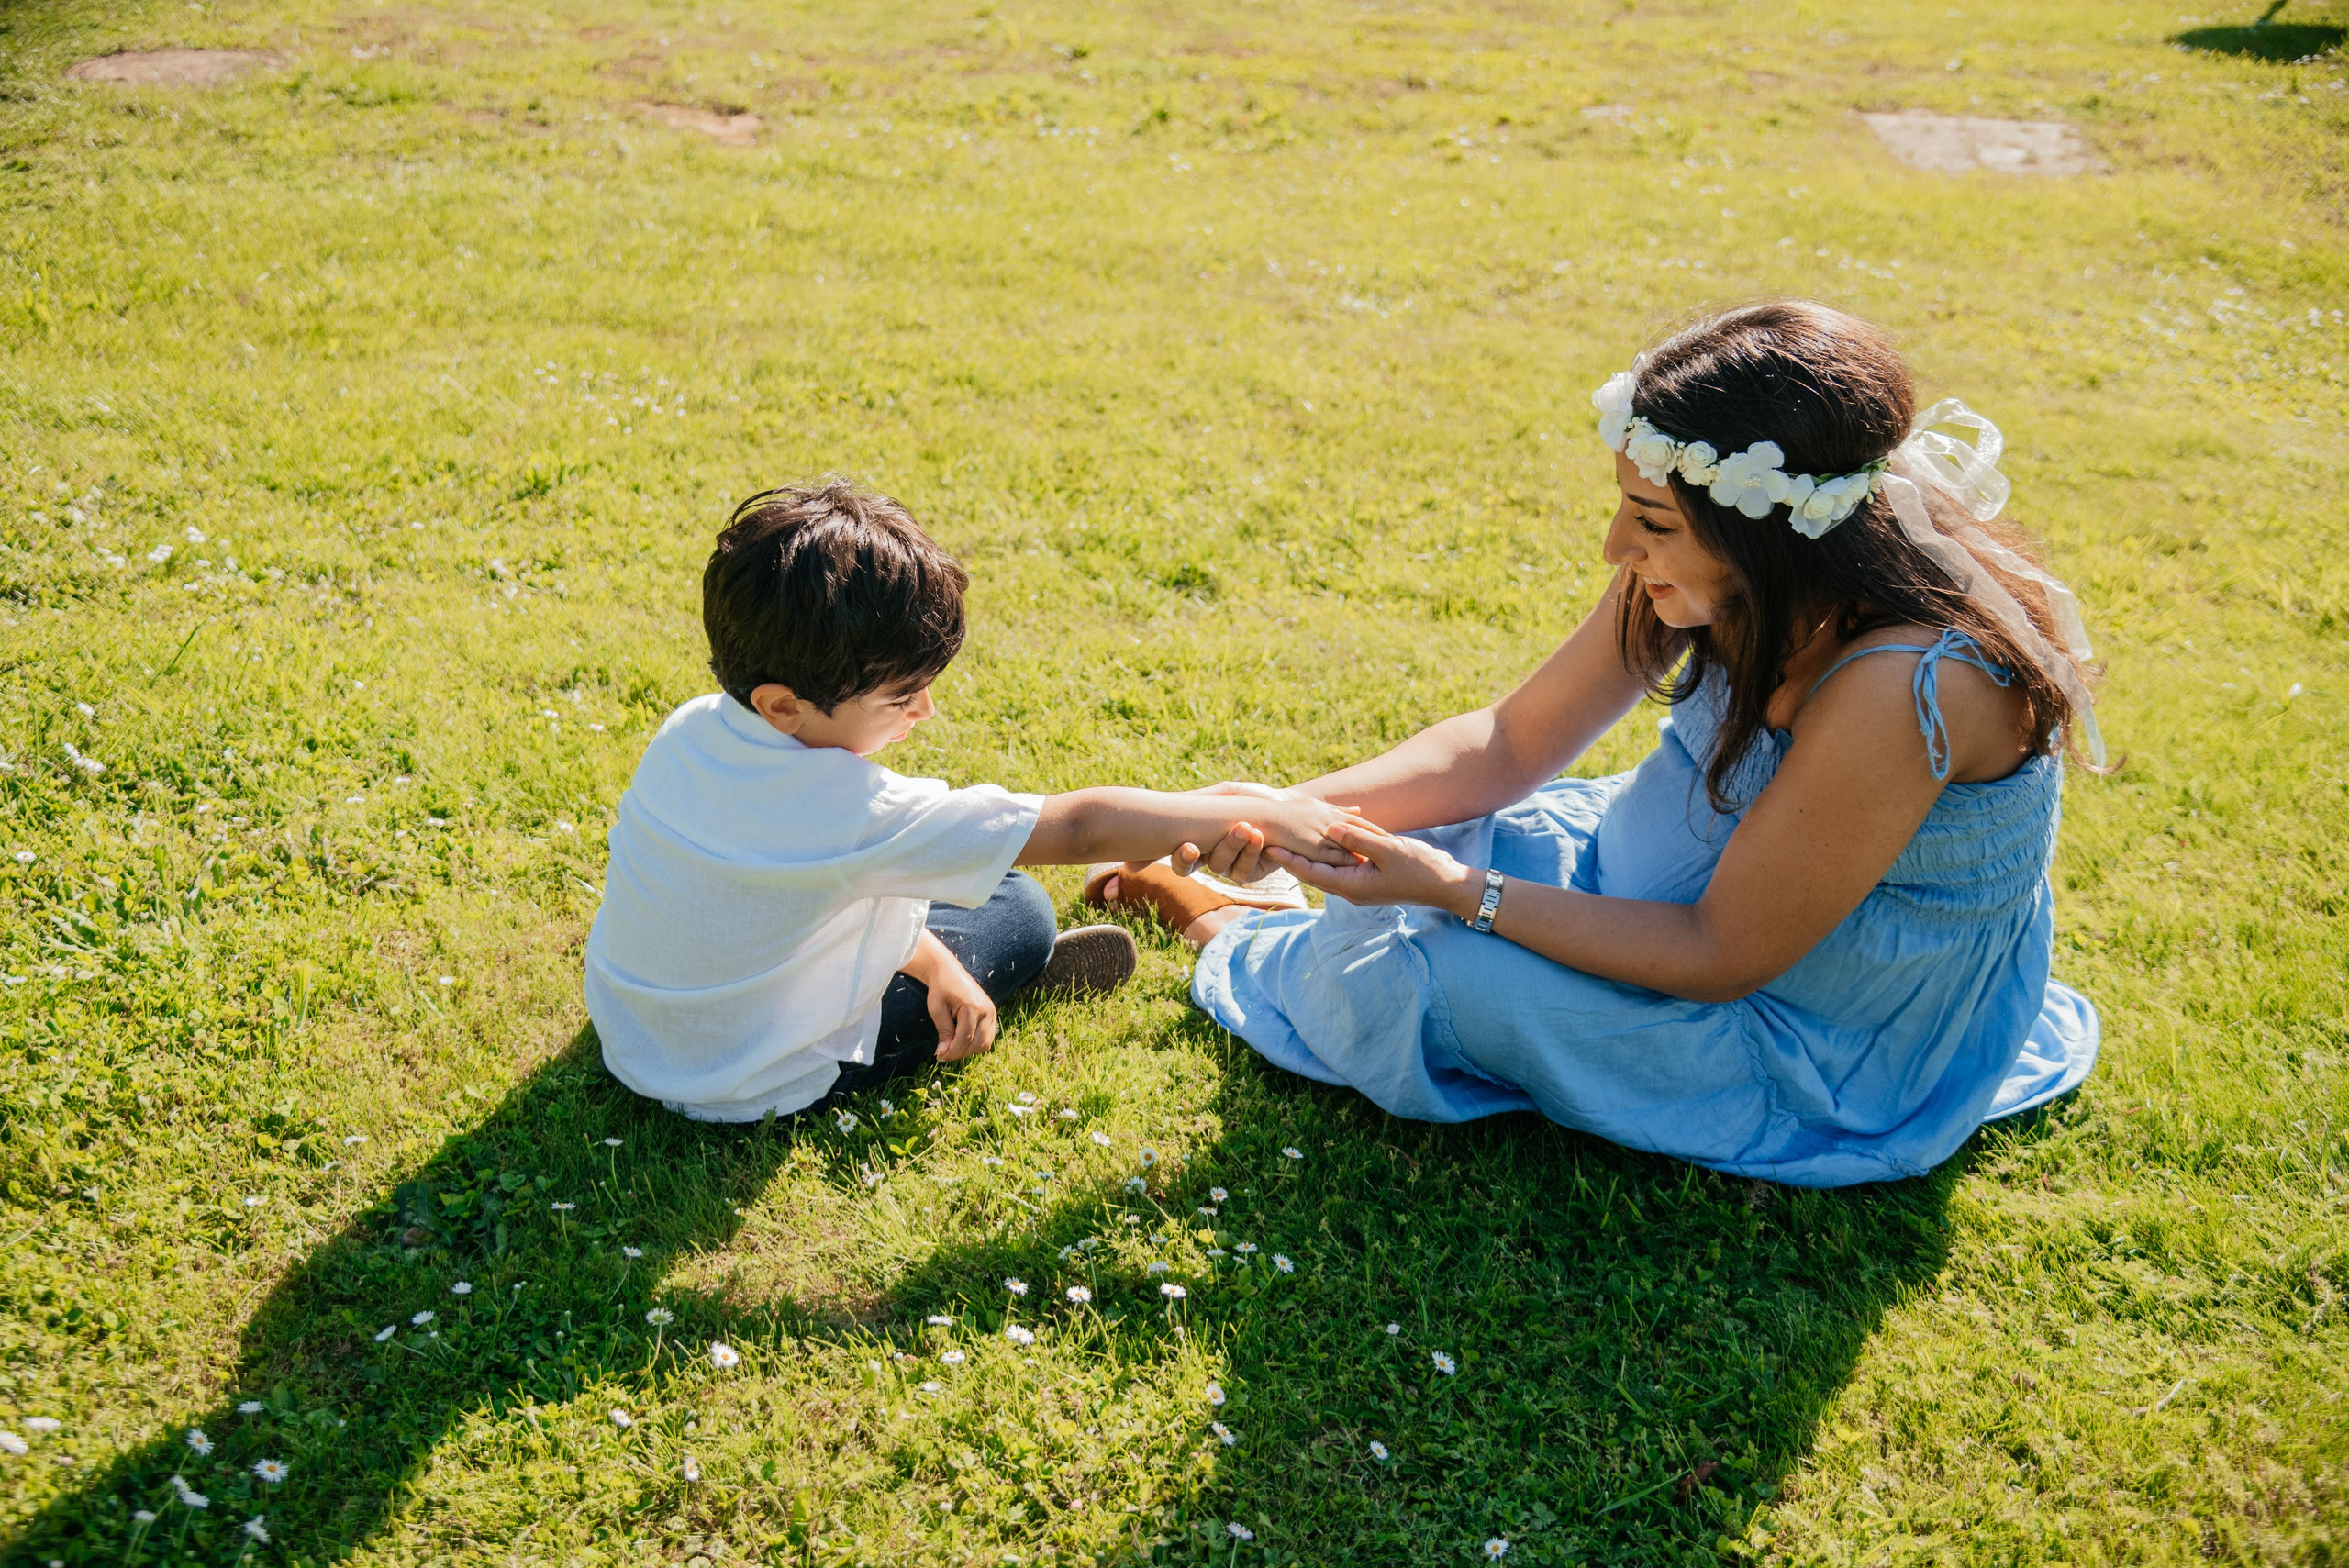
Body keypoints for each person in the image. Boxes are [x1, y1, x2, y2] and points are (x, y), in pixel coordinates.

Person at [1097, 301, 2104, 1187]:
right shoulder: (1729, 568)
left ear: (1766, 531)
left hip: (1799, 1025)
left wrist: (1455, 889)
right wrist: (1281, 809)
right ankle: (1283, 905)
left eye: (1650, 521)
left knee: (1436, 972)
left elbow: (1722, 952)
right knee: (1432, 838)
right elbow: (1506, 745)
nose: (1618, 548)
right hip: (1640, 878)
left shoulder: (1909, 684)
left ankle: (1226, 924)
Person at [585, 479, 1359, 1123]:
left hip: (639, 1035)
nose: (925, 711)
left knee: (963, 879)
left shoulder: (691, 729)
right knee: (1020, 909)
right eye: (901, 698)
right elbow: (1079, 827)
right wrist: (1248, 812)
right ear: (784, 705)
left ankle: (947, 969)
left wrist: (932, 958)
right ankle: (991, 981)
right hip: (746, 1083)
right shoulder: (856, 812)